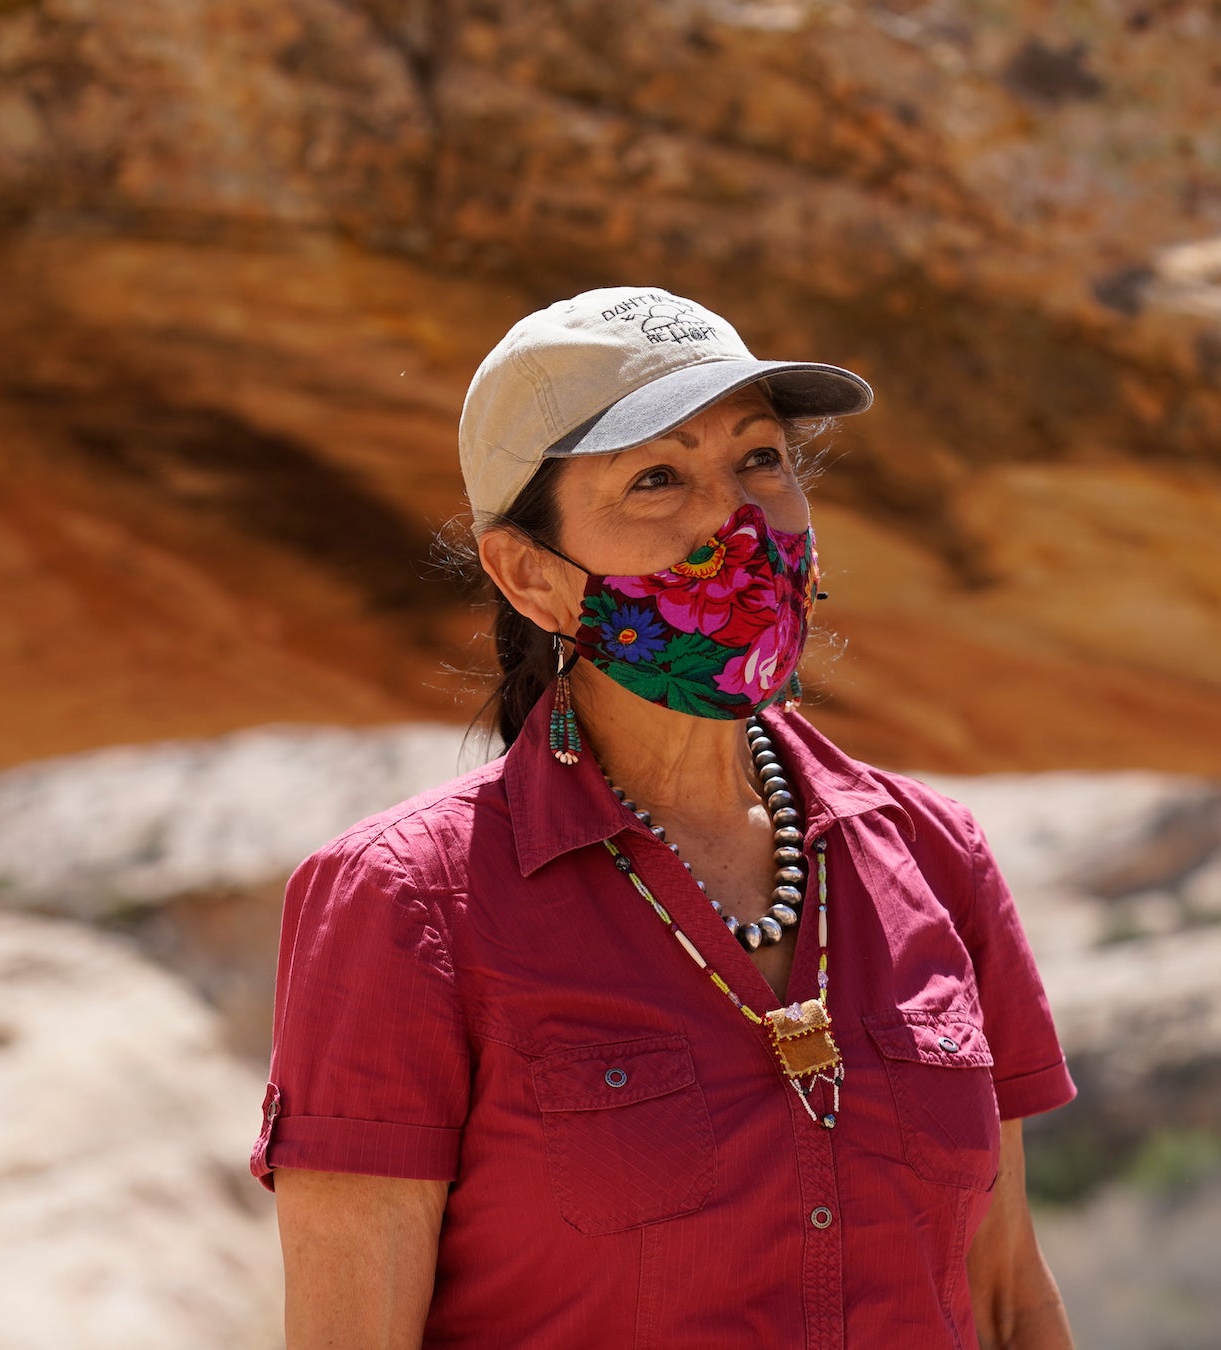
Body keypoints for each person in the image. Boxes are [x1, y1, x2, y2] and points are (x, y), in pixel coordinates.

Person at [249, 285, 1079, 1348]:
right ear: (533, 578)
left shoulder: (931, 853)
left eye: (759, 461)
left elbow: (1009, 1302)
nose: (731, 522)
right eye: (656, 478)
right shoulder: (408, 903)